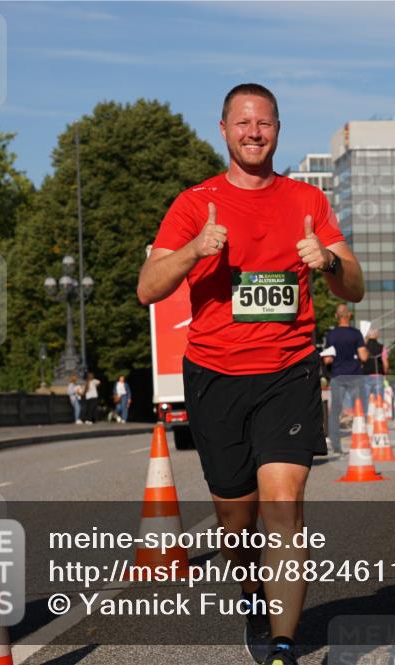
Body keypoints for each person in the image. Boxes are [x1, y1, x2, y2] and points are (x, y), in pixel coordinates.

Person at [136, 83, 363, 665]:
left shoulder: (308, 202)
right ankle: (252, 594)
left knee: (283, 501)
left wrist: (330, 260)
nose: (254, 132)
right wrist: (194, 251)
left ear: (278, 130)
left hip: (288, 369)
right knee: (237, 522)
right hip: (215, 374)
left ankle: (285, 643)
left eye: (264, 123)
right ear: (224, 129)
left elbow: (353, 285)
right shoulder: (195, 203)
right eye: (243, 123)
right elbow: (148, 288)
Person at [324, 303, 368, 454]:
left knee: (335, 412)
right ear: (349, 315)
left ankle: (336, 446)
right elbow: (363, 356)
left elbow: (327, 359)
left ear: (336, 316)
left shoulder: (331, 335)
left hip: (337, 376)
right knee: (361, 410)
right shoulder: (356, 334)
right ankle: (363, 440)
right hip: (355, 375)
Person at [361, 327, 389, 409]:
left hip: (365, 375)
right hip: (378, 375)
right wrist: (385, 373)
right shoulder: (382, 347)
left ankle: (366, 417)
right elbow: (385, 363)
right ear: (377, 336)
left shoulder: (363, 348)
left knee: (365, 399)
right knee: (379, 397)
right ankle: (379, 416)